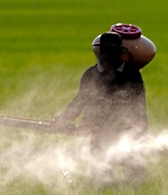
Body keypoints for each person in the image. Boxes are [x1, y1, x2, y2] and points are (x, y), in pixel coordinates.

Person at [53, 30, 148, 183]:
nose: (107, 57)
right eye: (104, 52)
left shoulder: (132, 75)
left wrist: (141, 130)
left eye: (111, 52)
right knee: (101, 175)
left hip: (126, 130)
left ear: (119, 53)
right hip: (98, 130)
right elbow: (80, 101)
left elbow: (138, 106)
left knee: (134, 175)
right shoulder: (91, 75)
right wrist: (64, 120)